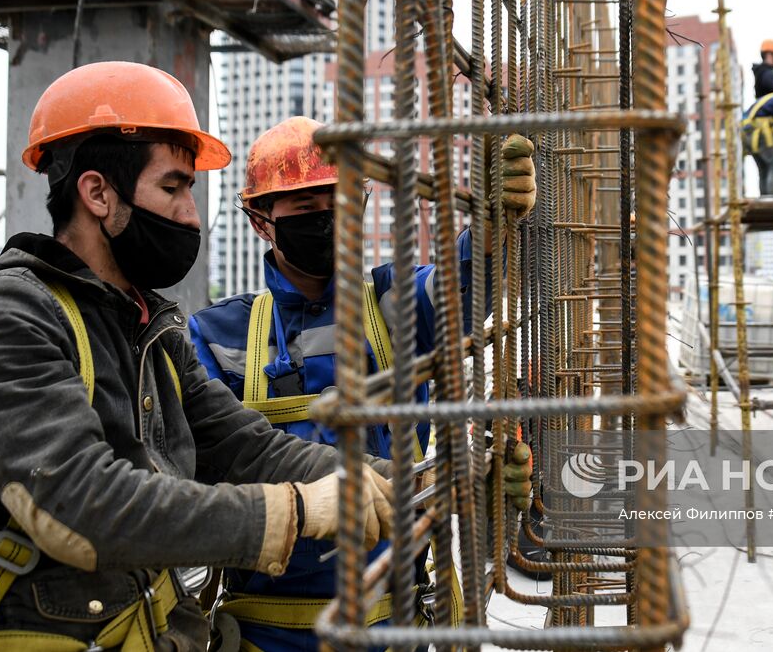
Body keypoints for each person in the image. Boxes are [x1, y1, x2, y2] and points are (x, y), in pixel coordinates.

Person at [0, 63, 399, 651]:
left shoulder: (145, 324)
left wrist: (379, 480)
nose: (190, 215)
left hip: (136, 623)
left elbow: (237, 442)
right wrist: (288, 512)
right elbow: (79, 505)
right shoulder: (7, 313)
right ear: (97, 193)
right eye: (173, 187)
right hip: (38, 630)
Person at [190, 116, 536, 651]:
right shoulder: (218, 334)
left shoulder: (392, 303)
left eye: (342, 203)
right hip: (268, 632)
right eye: (306, 209)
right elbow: (210, 461)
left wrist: (491, 232)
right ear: (262, 221)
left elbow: (461, 285)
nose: (328, 220)